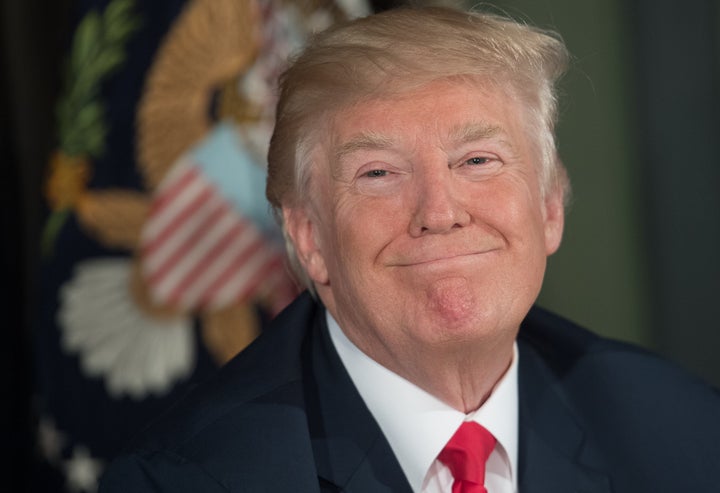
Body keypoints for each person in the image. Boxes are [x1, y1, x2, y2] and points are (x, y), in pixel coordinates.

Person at [99, 6, 720, 493]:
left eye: (478, 160)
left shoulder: (678, 428)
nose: (440, 212)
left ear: (550, 207)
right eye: (378, 173)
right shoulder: (183, 480)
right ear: (309, 237)